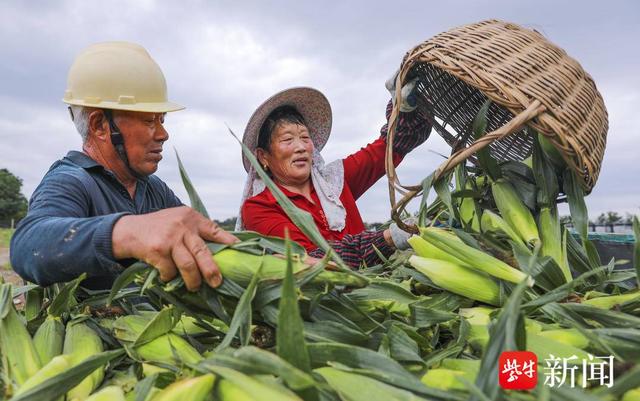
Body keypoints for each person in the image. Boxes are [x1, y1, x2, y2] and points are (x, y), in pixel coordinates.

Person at [10, 41, 237, 291]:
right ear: (99, 125)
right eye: (150, 120)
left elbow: (196, 241)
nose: (163, 134)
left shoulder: (153, 189)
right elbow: (28, 245)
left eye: (162, 120)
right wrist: (129, 232)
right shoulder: (71, 180)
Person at [237, 81, 433, 267]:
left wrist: (403, 106)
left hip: (376, 283)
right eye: (288, 140)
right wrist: (389, 238)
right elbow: (310, 260)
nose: (301, 147)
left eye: (305, 137)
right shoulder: (259, 207)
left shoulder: (335, 180)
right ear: (263, 157)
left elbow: (390, 148)